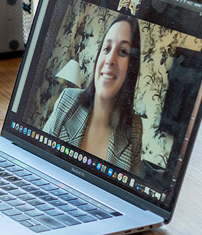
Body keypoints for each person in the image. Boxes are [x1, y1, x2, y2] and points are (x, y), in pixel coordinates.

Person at [43, 13, 143, 172]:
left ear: (131, 67)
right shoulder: (67, 100)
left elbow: (128, 191)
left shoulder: (135, 128)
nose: (110, 59)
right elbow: (37, 157)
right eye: (107, 48)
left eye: (123, 51)